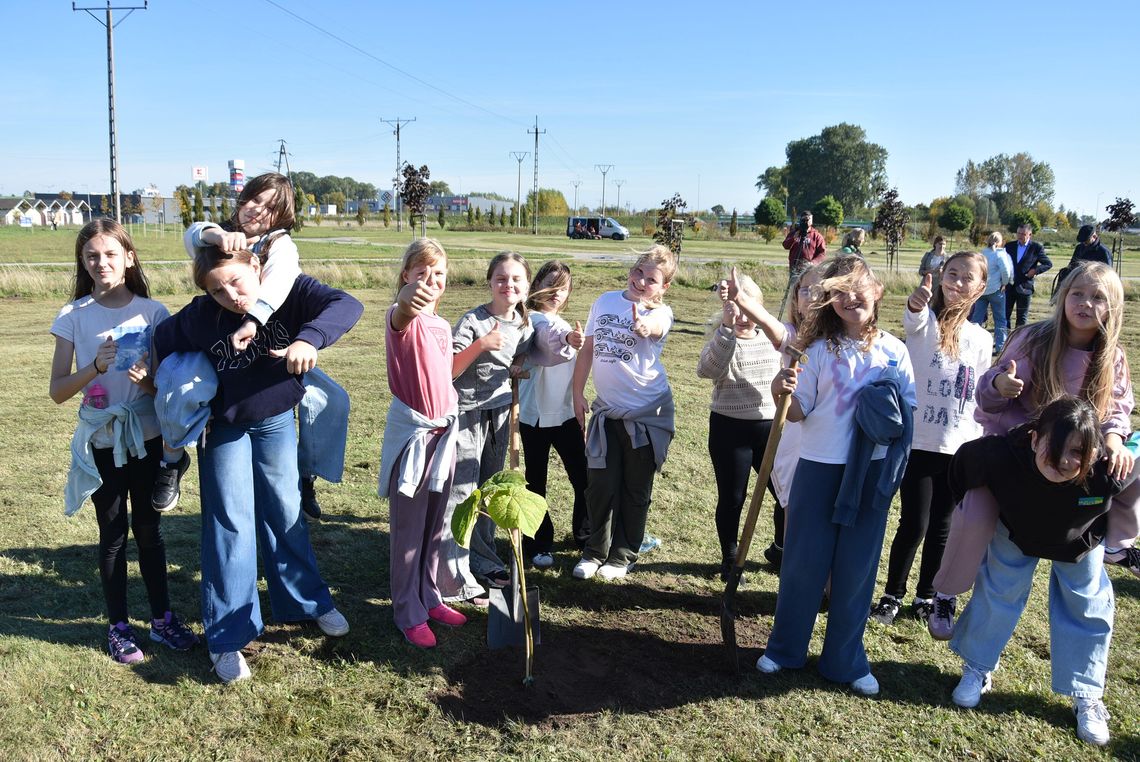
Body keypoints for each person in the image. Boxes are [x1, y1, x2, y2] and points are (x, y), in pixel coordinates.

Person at [154, 245, 363, 683]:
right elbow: (163, 342)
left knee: (285, 512)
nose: (230, 295)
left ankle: (306, 601)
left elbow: (347, 304)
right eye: (216, 289)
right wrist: (171, 385)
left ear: (255, 266)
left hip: (276, 424)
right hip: (224, 430)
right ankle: (227, 635)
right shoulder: (199, 316)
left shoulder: (287, 290)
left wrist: (309, 338)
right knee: (231, 523)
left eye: (235, 280)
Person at [929, 261, 1135, 639]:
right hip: (1016, 454)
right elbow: (988, 393)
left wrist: (1114, 439)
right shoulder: (1034, 338)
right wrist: (1000, 386)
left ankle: (1118, 545)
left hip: (1073, 462)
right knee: (975, 512)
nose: (1085, 304)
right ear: (1062, 297)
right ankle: (946, 592)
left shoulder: (1112, 357)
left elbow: (1118, 408)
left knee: (1132, 465)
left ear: (1113, 308)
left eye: (1097, 298)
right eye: (1077, 294)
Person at [757, 255, 916, 696]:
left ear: (878, 291)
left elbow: (908, 415)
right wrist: (780, 390)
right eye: (838, 291)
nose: (849, 298)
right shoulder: (816, 351)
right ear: (828, 300)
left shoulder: (894, 351)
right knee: (803, 565)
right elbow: (799, 412)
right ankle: (786, 649)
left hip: (871, 474)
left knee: (856, 570)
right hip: (819, 469)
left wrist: (887, 425)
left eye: (857, 287)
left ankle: (845, 660)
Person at [50, 220, 199, 665]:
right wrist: (94, 367)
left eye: (111, 254)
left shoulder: (155, 314)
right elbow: (58, 391)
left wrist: (149, 383)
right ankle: (118, 627)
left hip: (148, 438)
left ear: (129, 257)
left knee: (149, 532)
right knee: (112, 533)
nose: (102, 263)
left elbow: (171, 388)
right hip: (102, 441)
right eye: (92, 256)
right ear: (82, 261)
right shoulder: (72, 315)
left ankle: (162, 619)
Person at [167, 172, 350, 521]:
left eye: (268, 207)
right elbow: (193, 236)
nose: (256, 210)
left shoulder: (279, 245)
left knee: (331, 399)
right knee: (185, 382)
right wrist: (218, 235)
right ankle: (171, 457)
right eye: (252, 199)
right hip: (227, 353)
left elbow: (280, 281)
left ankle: (306, 473)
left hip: (271, 346)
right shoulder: (222, 237)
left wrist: (255, 319)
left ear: (280, 217)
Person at [946, 396, 1127, 747]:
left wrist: (1121, 444)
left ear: (1093, 454)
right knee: (999, 590)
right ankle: (977, 668)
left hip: (1081, 542)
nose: (1062, 460)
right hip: (1017, 531)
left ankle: (1086, 693)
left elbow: (1132, 476)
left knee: (1087, 603)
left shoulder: (1109, 471)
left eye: (1077, 452)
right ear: (1033, 439)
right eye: (1052, 447)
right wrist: (971, 511)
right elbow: (961, 468)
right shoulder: (1000, 454)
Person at [870, 252, 991, 626]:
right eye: (950, 273)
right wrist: (915, 302)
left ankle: (927, 596)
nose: (956, 281)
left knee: (943, 526)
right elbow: (912, 317)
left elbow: (981, 396)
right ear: (939, 278)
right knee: (914, 523)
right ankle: (892, 594)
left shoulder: (982, 339)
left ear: (981, 287)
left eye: (966, 277)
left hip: (959, 448)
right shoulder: (925, 324)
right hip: (920, 442)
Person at [378, 238, 469, 649]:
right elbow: (401, 315)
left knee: (435, 525)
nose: (431, 281)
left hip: (443, 437)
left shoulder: (442, 325)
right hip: (415, 439)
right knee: (409, 531)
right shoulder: (404, 318)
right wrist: (405, 302)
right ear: (406, 278)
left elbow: (441, 374)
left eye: (438, 275)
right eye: (422, 274)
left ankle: (429, 596)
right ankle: (407, 610)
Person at [572, 245, 677, 581]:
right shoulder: (604, 301)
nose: (642, 281)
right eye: (639, 272)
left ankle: (622, 555)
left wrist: (645, 327)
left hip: (646, 414)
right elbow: (588, 349)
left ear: (664, 288)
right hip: (606, 411)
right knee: (600, 483)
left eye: (652, 279)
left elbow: (656, 326)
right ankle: (594, 551)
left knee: (635, 486)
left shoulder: (661, 312)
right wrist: (577, 392)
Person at [439, 252, 535, 604]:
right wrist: (482, 345)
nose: (508, 285)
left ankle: (481, 559)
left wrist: (518, 365)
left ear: (526, 286)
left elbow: (523, 350)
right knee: (461, 492)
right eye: (501, 278)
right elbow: (448, 367)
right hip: (467, 414)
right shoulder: (474, 321)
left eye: (516, 279)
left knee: (488, 491)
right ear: (490, 281)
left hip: (499, 415)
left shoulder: (524, 324)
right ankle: (451, 576)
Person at [700, 268, 786, 580]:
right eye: (736, 309)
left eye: (748, 308)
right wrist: (726, 327)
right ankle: (730, 557)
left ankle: (779, 548)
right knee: (733, 497)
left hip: (769, 429)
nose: (743, 317)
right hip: (729, 429)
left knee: (786, 496)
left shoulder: (773, 340)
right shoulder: (722, 338)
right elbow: (708, 370)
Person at [516, 261, 588, 567]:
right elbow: (547, 343)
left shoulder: (561, 322)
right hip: (534, 416)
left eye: (564, 288)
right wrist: (568, 341)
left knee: (583, 476)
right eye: (552, 285)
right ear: (536, 286)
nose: (557, 293)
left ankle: (584, 535)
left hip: (566, 414)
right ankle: (538, 542)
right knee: (535, 483)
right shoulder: (531, 320)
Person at [969, 232, 1013, 354]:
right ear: (1000, 242)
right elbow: (1006, 271)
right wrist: (1004, 283)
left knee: (977, 318)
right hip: (996, 290)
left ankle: (973, 344)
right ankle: (1000, 346)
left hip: (981, 290)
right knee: (1000, 319)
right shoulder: (1000, 254)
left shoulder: (982, 253)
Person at [1004, 224, 1052, 329]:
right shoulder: (1009, 246)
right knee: (1005, 316)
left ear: (1030, 234)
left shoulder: (1036, 248)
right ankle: (1004, 341)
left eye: (1023, 234)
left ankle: (1019, 342)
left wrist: (1035, 271)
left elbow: (1048, 264)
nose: (1020, 236)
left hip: (1025, 287)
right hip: (1009, 287)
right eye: (1018, 233)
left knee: (1022, 318)